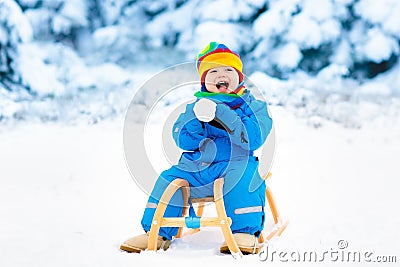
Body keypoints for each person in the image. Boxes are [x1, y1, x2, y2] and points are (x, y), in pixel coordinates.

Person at [120, 42, 273, 254]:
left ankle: (243, 232)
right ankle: (157, 232)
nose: (222, 74)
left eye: (229, 70)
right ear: (204, 81)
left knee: (243, 179)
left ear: (239, 77)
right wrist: (197, 119)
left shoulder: (252, 106)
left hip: (234, 165)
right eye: (214, 71)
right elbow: (182, 139)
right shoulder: (196, 107)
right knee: (169, 178)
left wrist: (224, 115)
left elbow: (254, 138)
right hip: (198, 167)